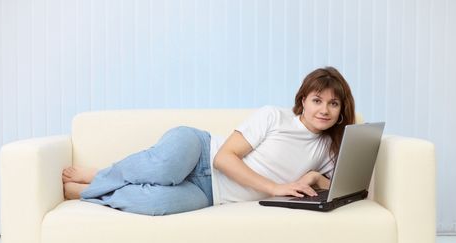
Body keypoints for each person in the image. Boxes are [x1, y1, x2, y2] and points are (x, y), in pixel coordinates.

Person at [62, 66, 355, 215]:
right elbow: (223, 158)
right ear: (303, 100)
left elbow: (343, 187)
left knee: (157, 204)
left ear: (342, 110)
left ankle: (91, 193)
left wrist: (316, 176)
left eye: (333, 104)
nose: (324, 110)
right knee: (163, 169)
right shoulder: (274, 117)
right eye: (317, 100)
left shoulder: (328, 149)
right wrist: (275, 187)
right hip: (201, 152)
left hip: (210, 193)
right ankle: (100, 174)